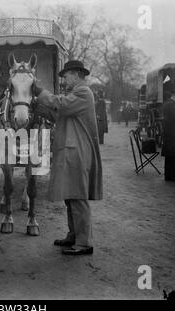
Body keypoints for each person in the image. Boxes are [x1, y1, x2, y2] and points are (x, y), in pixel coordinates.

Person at [32, 60, 103, 255]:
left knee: (78, 197)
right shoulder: (76, 94)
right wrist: (38, 107)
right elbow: (60, 115)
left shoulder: (83, 93)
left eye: (67, 75)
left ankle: (84, 243)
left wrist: (40, 92)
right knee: (71, 196)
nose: (64, 78)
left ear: (78, 74)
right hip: (72, 151)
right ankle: (74, 236)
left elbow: (60, 104)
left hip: (77, 151)